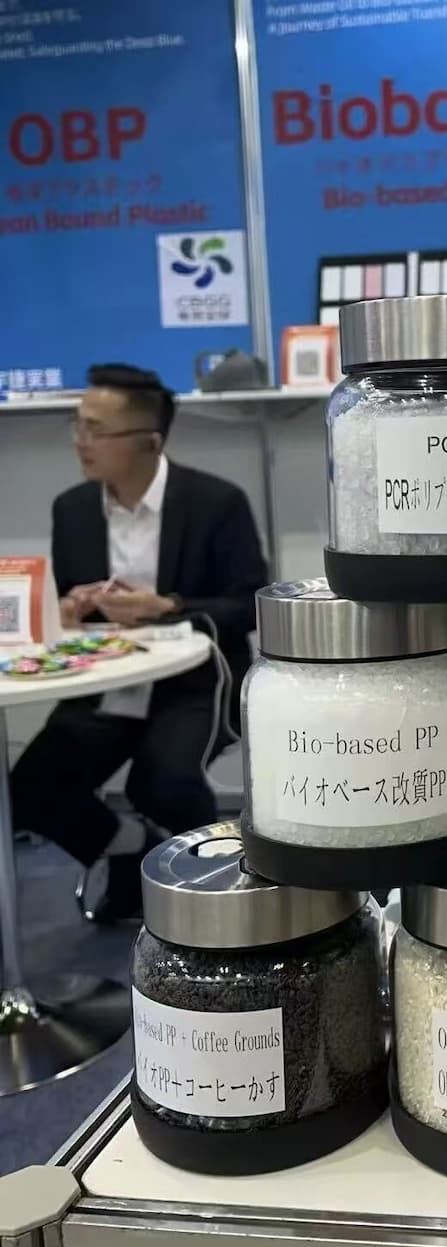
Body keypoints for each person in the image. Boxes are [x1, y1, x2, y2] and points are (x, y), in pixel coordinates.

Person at [11, 363, 268, 921]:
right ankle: (128, 849)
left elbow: (251, 601)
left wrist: (168, 606)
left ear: (149, 441)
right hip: (107, 688)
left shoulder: (216, 503)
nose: (80, 442)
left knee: (164, 783)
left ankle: (215, 897)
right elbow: (76, 617)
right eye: (78, 426)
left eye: (95, 430)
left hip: (194, 684)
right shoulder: (73, 510)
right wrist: (67, 612)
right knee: (28, 789)